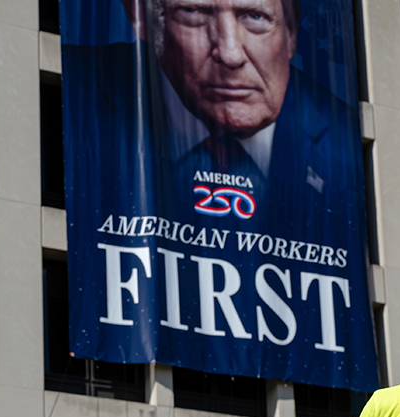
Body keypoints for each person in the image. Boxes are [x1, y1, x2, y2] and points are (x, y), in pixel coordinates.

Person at [63, 0, 359, 244]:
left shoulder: (346, 140)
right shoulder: (73, 92)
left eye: (255, 17)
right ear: (143, 18)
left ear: (291, 34)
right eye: (194, 12)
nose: (230, 55)